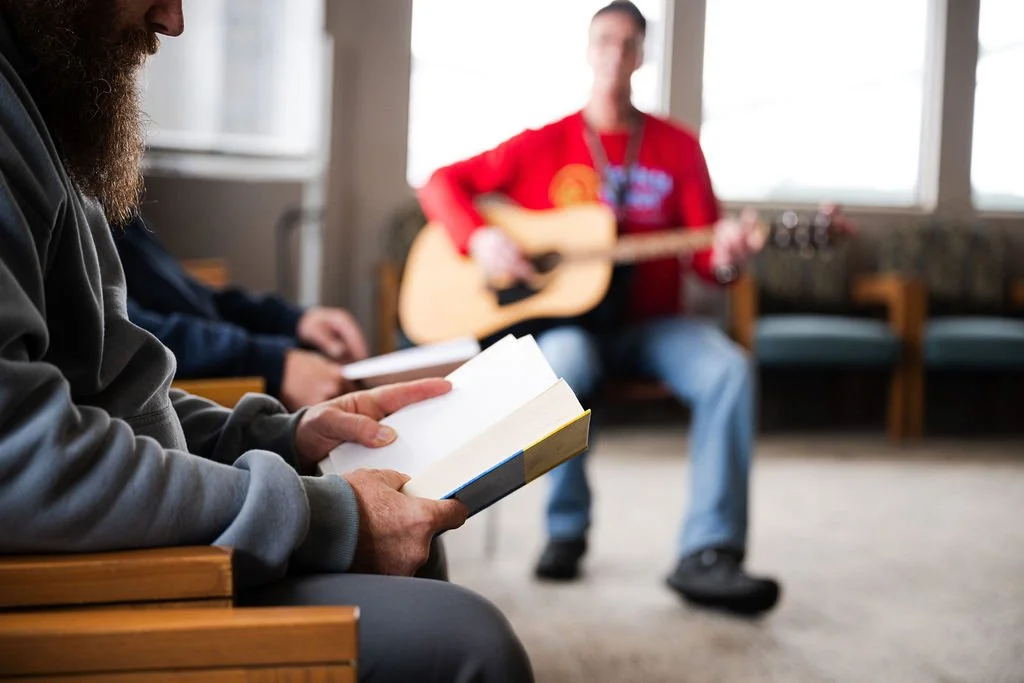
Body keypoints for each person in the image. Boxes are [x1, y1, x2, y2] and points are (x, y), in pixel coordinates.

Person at [0, 1, 533, 681]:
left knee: (411, 528)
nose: (173, 21)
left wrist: (274, 435)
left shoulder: (45, 117)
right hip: (90, 586)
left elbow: (105, 384)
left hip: (133, 537)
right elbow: (17, 451)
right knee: (473, 641)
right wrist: (327, 515)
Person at [419, 1, 792, 617]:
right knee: (562, 361)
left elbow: (708, 264)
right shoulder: (544, 143)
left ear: (641, 56)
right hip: (572, 327)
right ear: (589, 50)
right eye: (605, 41)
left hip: (654, 326)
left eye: (628, 44)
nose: (615, 54)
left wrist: (728, 257)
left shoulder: (677, 147)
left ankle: (711, 552)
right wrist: (480, 237)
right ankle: (566, 529)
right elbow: (439, 182)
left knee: (730, 369)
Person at [115, 214, 368, 410]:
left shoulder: (109, 199)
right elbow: (124, 334)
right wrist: (274, 365)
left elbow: (202, 301)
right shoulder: (81, 203)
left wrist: (298, 321)